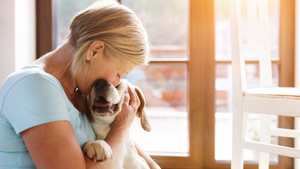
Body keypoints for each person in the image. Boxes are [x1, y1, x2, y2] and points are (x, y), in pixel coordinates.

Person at [0, 1, 160, 169]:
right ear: (94, 51)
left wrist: (152, 165)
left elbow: (122, 144)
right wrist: (119, 129)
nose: (116, 83)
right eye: (118, 73)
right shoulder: (34, 86)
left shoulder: (78, 94)